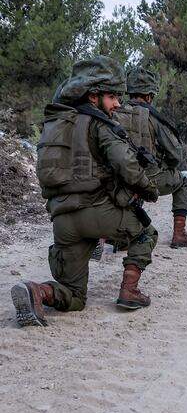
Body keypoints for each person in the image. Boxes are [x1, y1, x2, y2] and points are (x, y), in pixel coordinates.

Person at [11, 56, 160, 327]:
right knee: (145, 235)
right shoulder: (99, 125)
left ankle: (38, 292)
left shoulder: (56, 124)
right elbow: (125, 164)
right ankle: (129, 292)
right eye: (113, 96)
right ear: (94, 96)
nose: (117, 103)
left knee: (75, 296)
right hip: (97, 212)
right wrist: (149, 189)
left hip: (63, 220)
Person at [115, 65, 187, 248]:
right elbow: (176, 154)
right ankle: (179, 234)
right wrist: (164, 163)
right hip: (147, 179)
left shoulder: (114, 113)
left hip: (118, 180)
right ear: (149, 95)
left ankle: (120, 236)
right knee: (184, 181)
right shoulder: (152, 117)